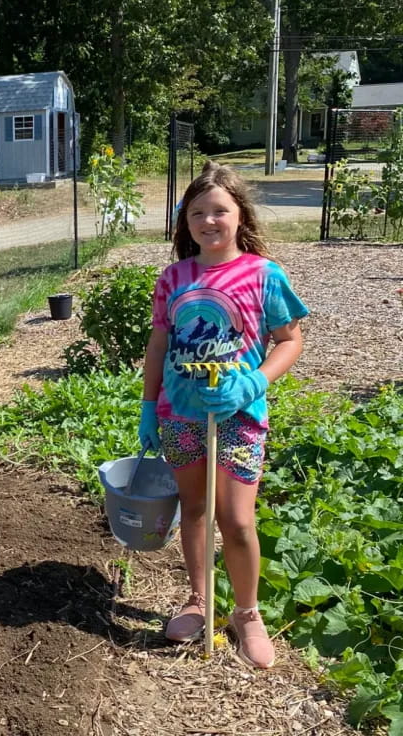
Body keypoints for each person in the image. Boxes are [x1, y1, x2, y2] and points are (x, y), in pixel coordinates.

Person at [138, 161, 308, 669]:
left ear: (239, 216)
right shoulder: (174, 277)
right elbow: (159, 342)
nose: (209, 222)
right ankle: (198, 597)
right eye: (197, 213)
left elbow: (289, 340)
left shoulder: (263, 275)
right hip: (179, 415)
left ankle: (246, 613)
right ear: (184, 223)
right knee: (192, 511)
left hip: (238, 417)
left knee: (234, 520)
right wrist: (149, 405)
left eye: (219, 211)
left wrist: (255, 380)